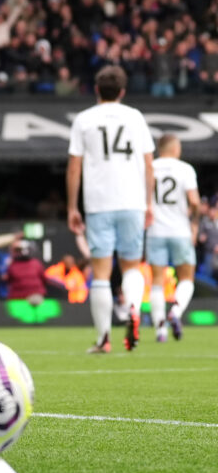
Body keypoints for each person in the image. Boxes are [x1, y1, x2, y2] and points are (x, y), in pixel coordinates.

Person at [67, 65, 154, 354]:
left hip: (98, 203)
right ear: (123, 92)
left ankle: (104, 339)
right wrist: (149, 203)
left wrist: (72, 206)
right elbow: (149, 165)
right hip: (132, 202)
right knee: (132, 266)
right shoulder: (135, 117)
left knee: (101, 274)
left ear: (96, 90)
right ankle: (132, 308)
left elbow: (74, 167)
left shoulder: (84, 120)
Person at [146, 134, 200, 342]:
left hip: (155, 231)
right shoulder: (185, 169)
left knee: (157, 281)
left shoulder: (150, 167)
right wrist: (194, 224)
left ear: (160, 148)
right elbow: (194, 201)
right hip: (180, 231)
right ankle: (175, 312)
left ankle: (160, 330)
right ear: (176, 148)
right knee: (186, 278)